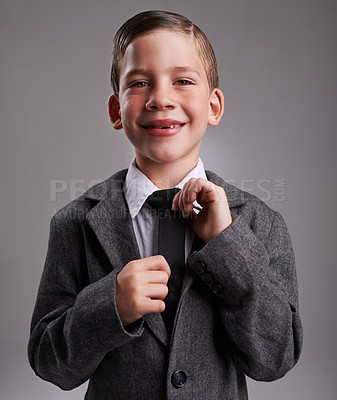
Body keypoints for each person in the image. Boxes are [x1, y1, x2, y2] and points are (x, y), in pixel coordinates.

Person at [28, 10, 303, 400]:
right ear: (115, 111)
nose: (160, 99)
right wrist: (111, 307)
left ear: (213, 106)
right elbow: (48, 362)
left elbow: (276, 358)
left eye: (183, 81)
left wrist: (228, 245)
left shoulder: (259, 222)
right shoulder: (75, 222)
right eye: (140, 83)